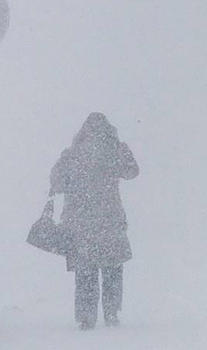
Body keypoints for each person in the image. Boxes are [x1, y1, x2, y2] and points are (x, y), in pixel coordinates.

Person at [50, 112, 139, 330]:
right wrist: (119, 156)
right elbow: (133, 172)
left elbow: (56, 182)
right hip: (109, 221)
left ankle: (86, 318)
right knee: (112, 269)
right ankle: (111, 313)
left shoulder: (73, 154)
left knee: (86, 272)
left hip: (81, 224)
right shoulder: (115, 150)